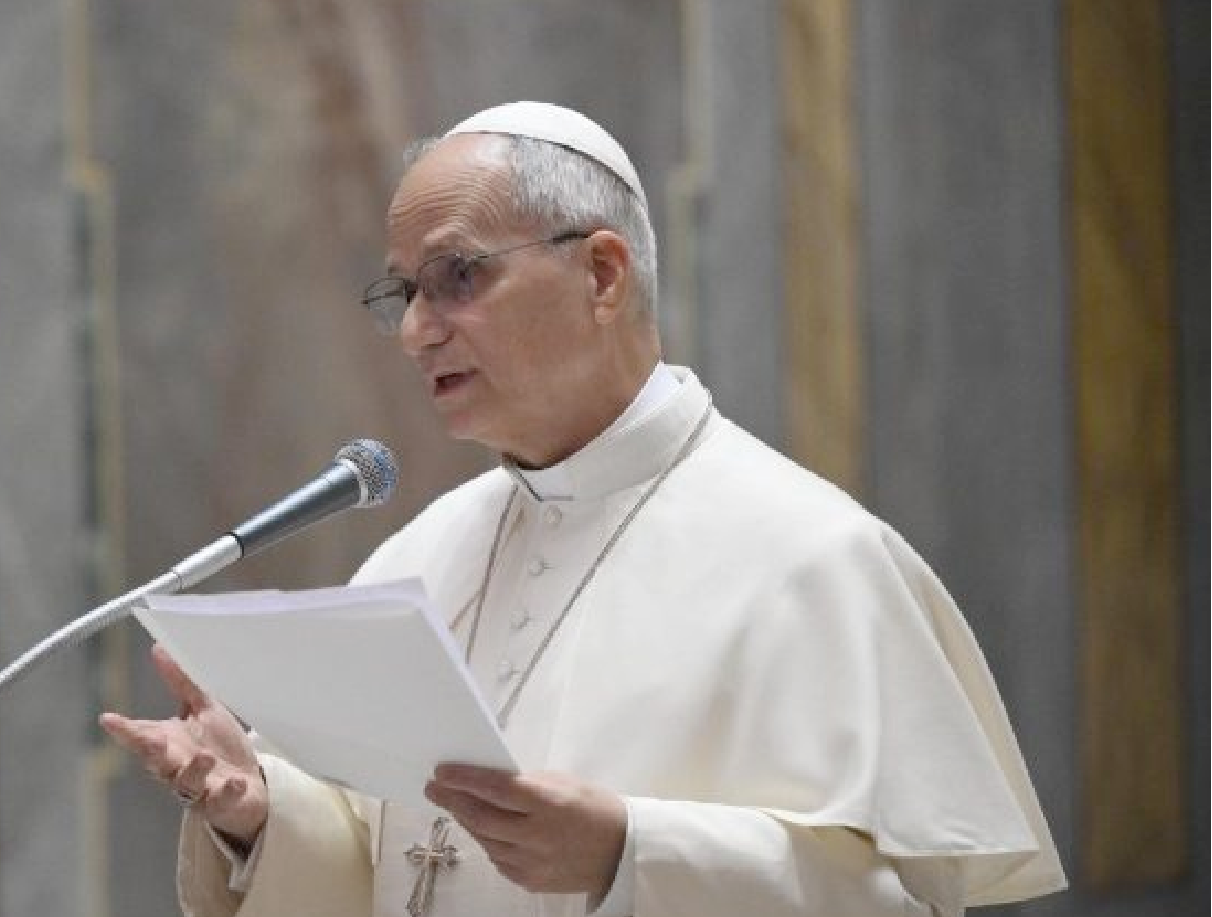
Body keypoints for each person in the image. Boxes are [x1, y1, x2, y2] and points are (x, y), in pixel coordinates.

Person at [100, 101, 1065, 917]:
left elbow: (906, 894)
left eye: (458, 276)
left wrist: (630, 854)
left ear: (602, 274)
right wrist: (259, 809)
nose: (417, 331)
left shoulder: (813, 555)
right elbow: (387, 859)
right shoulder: (424, 553)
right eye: (402, 293)